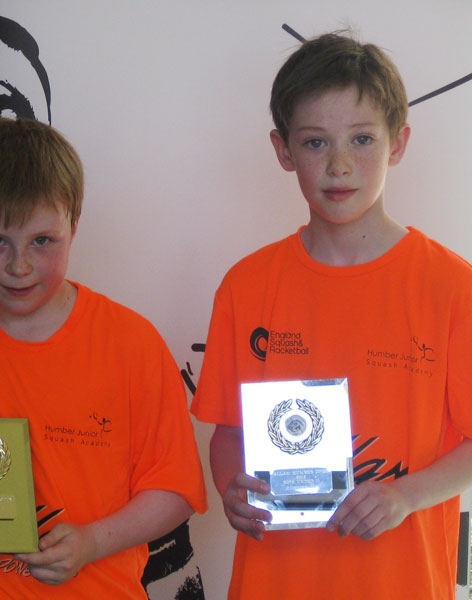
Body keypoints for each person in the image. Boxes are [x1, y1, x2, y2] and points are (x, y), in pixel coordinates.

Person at [0, 117, 207, 599]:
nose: (20, 266)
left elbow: (176, 490)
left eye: (42, 241)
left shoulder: (130, 343)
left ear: (74, 226)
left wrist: (92, 542)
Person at [191, 32, 472, 600]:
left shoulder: (452, 286)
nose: (340, 165)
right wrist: (231, 489)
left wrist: (406, 496)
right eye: (315, 142)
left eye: (362, 139)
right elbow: (228, 434)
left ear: (398, 143)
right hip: (273, 582)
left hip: (402, 583)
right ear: (283, 151)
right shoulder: (247, 286)